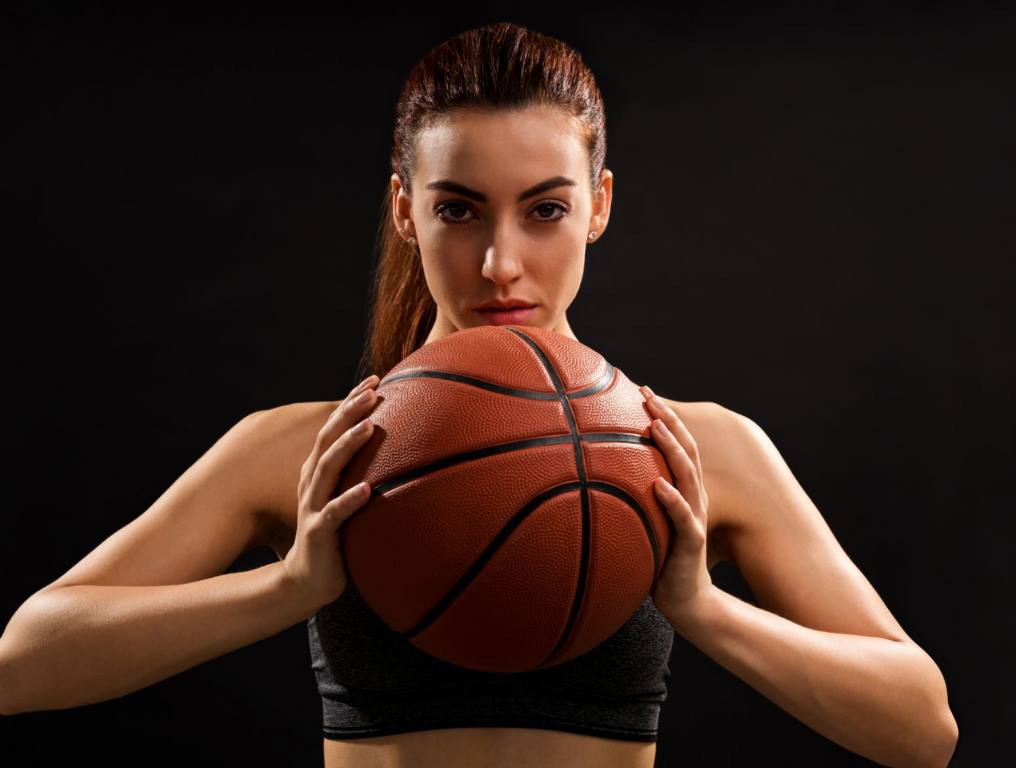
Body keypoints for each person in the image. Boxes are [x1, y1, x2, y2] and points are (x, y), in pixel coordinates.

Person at [0, 21, 958, 768]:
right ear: (404, 210)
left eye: (546, 209)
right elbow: (22, 662)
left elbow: (923, 730)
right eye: (458, 208)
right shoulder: (309, 451)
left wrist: (703, 607)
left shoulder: (697, 451)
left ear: (600, 204)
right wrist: (282, 591)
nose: (502, 263)